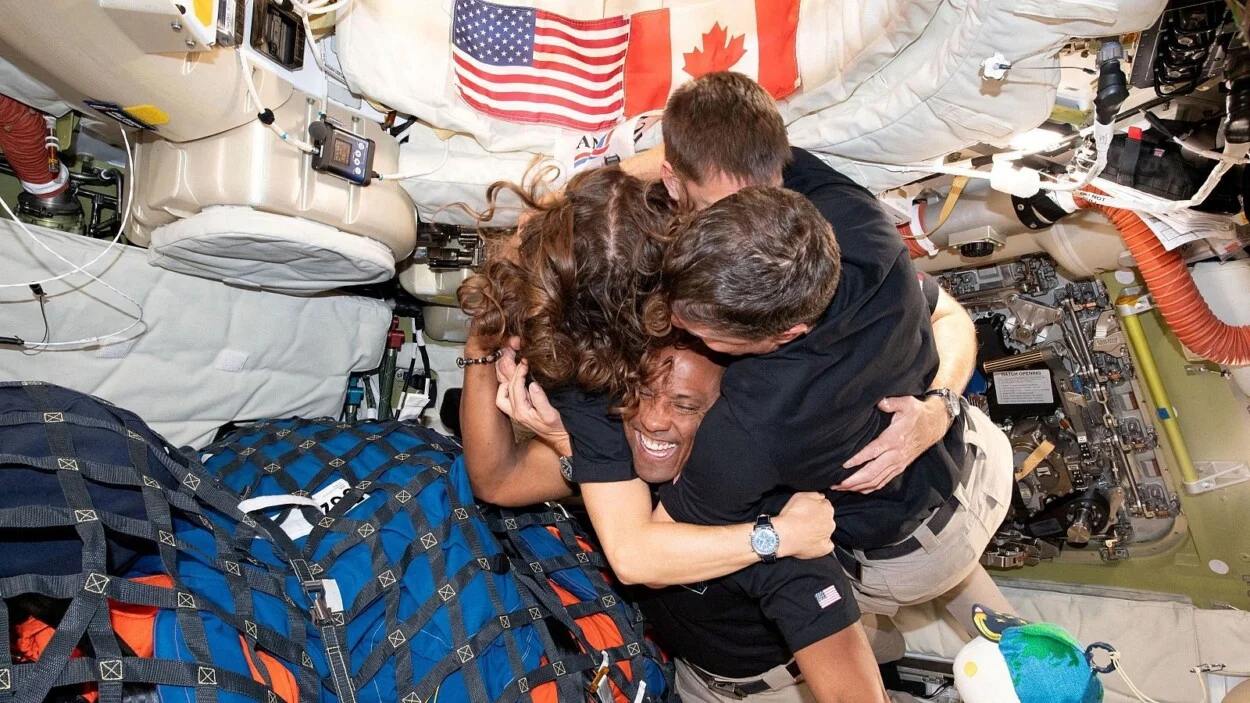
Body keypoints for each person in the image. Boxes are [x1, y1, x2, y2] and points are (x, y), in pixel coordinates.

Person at [495, 71, 1015, 673]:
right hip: (979, 463)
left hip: (902, 559)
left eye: (703, 332)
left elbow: (640, 556)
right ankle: (1016, 644)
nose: (678, 329)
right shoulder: (853, 222)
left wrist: (777, 535)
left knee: (834, 591)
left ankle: (901, 639)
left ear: (781, 337)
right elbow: (952, 316)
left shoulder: (752, 423)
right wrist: (941, 406)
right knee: (996, 622)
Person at [458, 166, 889, 702]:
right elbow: (497, 480)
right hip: (676, 669)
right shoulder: (623, 445)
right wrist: (484, 341)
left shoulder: (772, 507)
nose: (654, 419)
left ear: (723, 418)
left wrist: (777, 536)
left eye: (685, 405)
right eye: (639, 394)